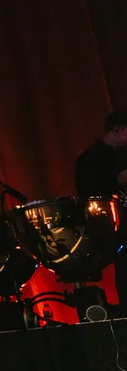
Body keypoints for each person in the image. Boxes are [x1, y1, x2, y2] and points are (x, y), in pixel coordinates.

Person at [75, 110, 127, 314]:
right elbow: (89, 195)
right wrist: (117, 181)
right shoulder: (91, 160)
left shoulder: (120, 155)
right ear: (118, 130)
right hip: (114, 228)